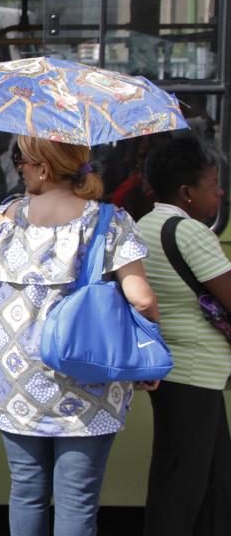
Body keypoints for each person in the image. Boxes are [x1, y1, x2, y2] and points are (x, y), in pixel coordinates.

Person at [0, 135, 159, 536]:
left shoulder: (6, 217)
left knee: (26, 492)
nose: (18, 167)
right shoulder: (110, 221)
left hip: (19, 384)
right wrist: (151, 344)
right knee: (77, 500)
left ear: (43, 168)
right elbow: (142, 298)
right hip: (88, 384)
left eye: (20, 160)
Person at [138, 137, 231, 536]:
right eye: (213, 184)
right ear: (186, 192)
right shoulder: (190, 232)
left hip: (179, 372)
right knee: (183, 489)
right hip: (193, 371)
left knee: (210, 482)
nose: (221, 191)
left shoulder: (144, 226)